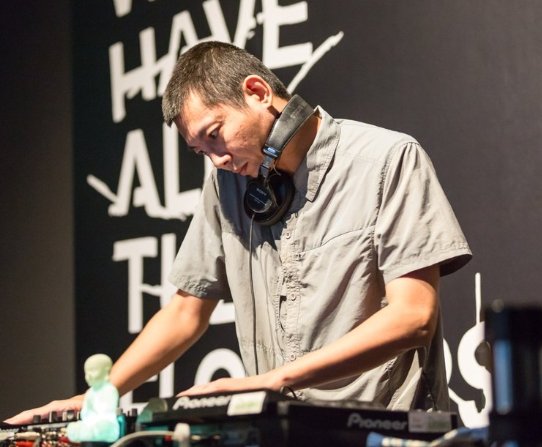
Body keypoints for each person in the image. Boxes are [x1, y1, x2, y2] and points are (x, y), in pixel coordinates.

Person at [6, 41, 471, 425]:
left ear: (257, 92)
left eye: (215, 134)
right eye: (200, 151)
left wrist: (272, 381)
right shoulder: (226, 185)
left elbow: (414, 317)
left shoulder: (387, 159)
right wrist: (96, 397)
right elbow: (185, 312)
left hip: (385, 430)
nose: (218, 160)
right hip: (282, 432)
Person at [66, 354, 120, 443]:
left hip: (105, 425)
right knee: (72, 427)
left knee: (101, 427)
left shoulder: (109, 390)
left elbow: (106, 412)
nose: (89, 376)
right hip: (91, 425)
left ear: (106, 371)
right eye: (87, 372)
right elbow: (85, 414)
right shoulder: (90, 392)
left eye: (93, 371)